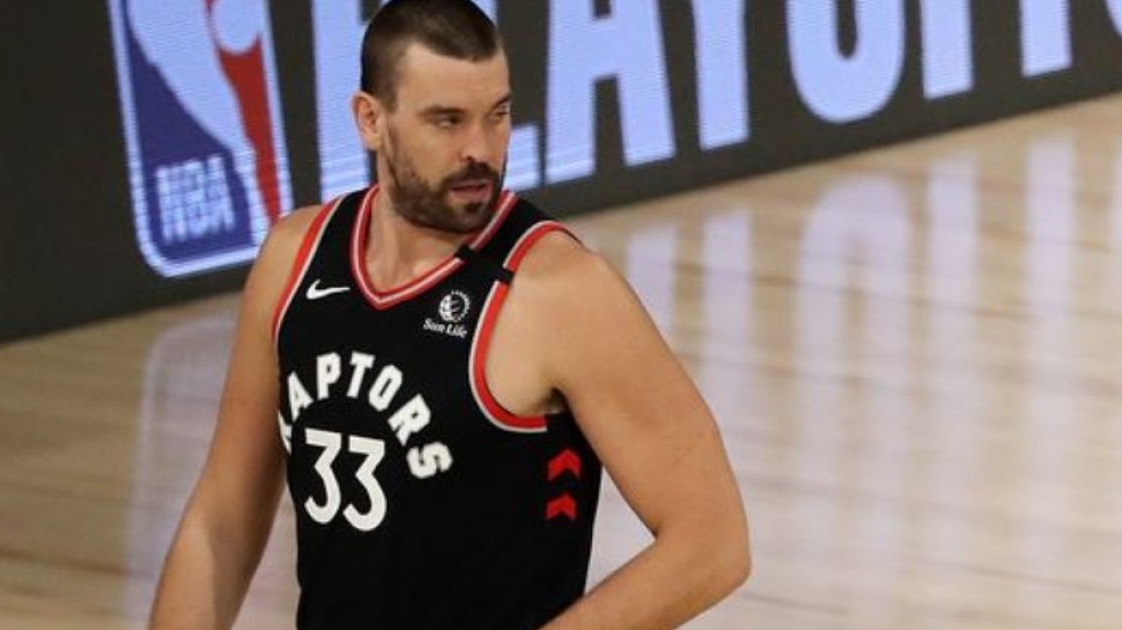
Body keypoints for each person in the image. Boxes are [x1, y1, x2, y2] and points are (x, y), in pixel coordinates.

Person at [147, 0, 750, 628]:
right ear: (371, 120)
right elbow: (222, 521)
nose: (480, 150)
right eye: (447, 121)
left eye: (498, 115)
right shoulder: (294, 260)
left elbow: (712, 542)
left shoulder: (561, 292)